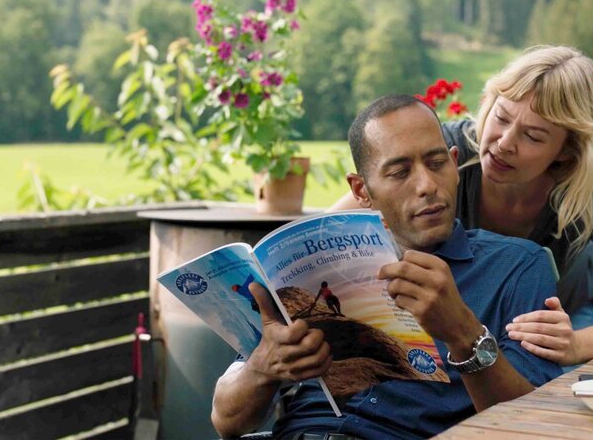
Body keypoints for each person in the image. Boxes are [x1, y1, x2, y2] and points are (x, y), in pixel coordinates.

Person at [211, 95, 563, 439]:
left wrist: (464, 334)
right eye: (399, 172)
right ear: (361, 190)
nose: (427, 186)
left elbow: (527, 423)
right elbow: (225, 421)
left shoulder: (516, 266)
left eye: (437, 163)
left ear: (455, 165)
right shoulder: (311, 270)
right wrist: (262, 368)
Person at [331, 45, 593, 367]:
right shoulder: (442, 156)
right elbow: (327, 233)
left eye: (533, 136)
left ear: (566, 151)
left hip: (553, 322)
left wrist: (577, 345)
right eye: (501, 117)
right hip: (462, 314)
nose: (504, 143)